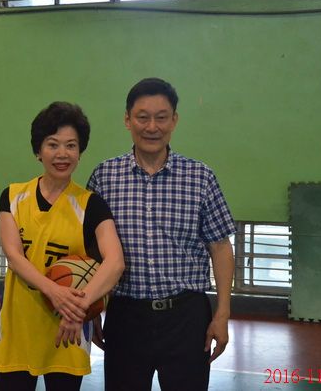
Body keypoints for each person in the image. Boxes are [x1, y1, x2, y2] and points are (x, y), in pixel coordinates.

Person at [87, 78, 236, 391]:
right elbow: (93, 250)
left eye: (161, 117)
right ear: (127, 120)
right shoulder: (104, 177)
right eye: (142, 117)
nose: (152, 127)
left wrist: (222, 314)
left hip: (187, 318)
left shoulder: (200, 177)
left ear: (174, 120)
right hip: (126, 316)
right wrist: (94, 307)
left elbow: (221, 247)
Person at [0, 101, 125, 391]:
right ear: (38, 151)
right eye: (53, 144)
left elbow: (115, 262)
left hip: (68, 328)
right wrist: (55, 291)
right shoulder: (12, 196)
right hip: (18, 327)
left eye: (71, 146)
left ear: (80, 152)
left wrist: (78, 307)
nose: (62, 154)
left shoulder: (91, 205)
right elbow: (14, 256)